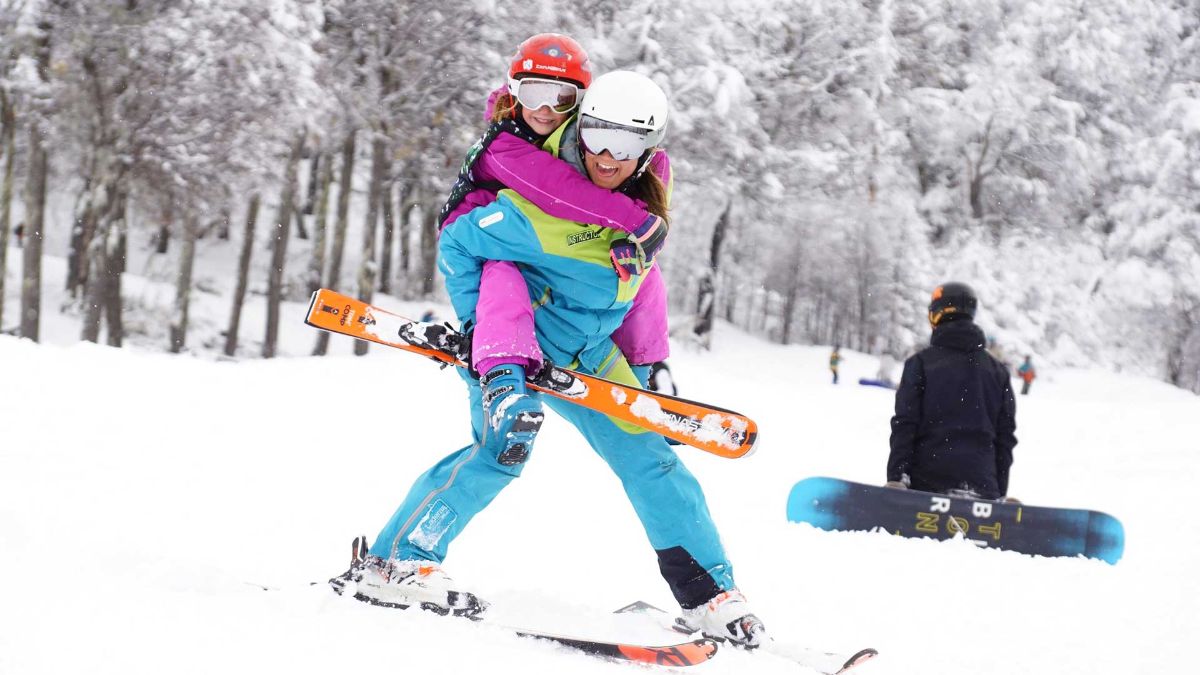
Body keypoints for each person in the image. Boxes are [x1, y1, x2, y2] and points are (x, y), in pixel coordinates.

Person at [333, 70, 766, 648]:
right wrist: (488, 343)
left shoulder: (639, 208)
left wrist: (649, 371)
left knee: (651, 458)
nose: (608, 157)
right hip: (512, 350)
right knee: (500, 452)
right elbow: (462, 245)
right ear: (578, 127)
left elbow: (642, 286)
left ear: (649, 149)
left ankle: (709, 595)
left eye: (628, 145)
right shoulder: (531, 206)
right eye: (597, 137)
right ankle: (393, 564)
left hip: (591, 353)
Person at [885, 282, 1018, 501]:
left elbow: (905, 424)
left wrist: (897, 478)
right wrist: (998, 493)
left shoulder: (920, 364)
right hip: (983, 484)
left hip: (926, 483)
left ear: (936, 314)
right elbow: (1005, 437)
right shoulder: (997, 371)